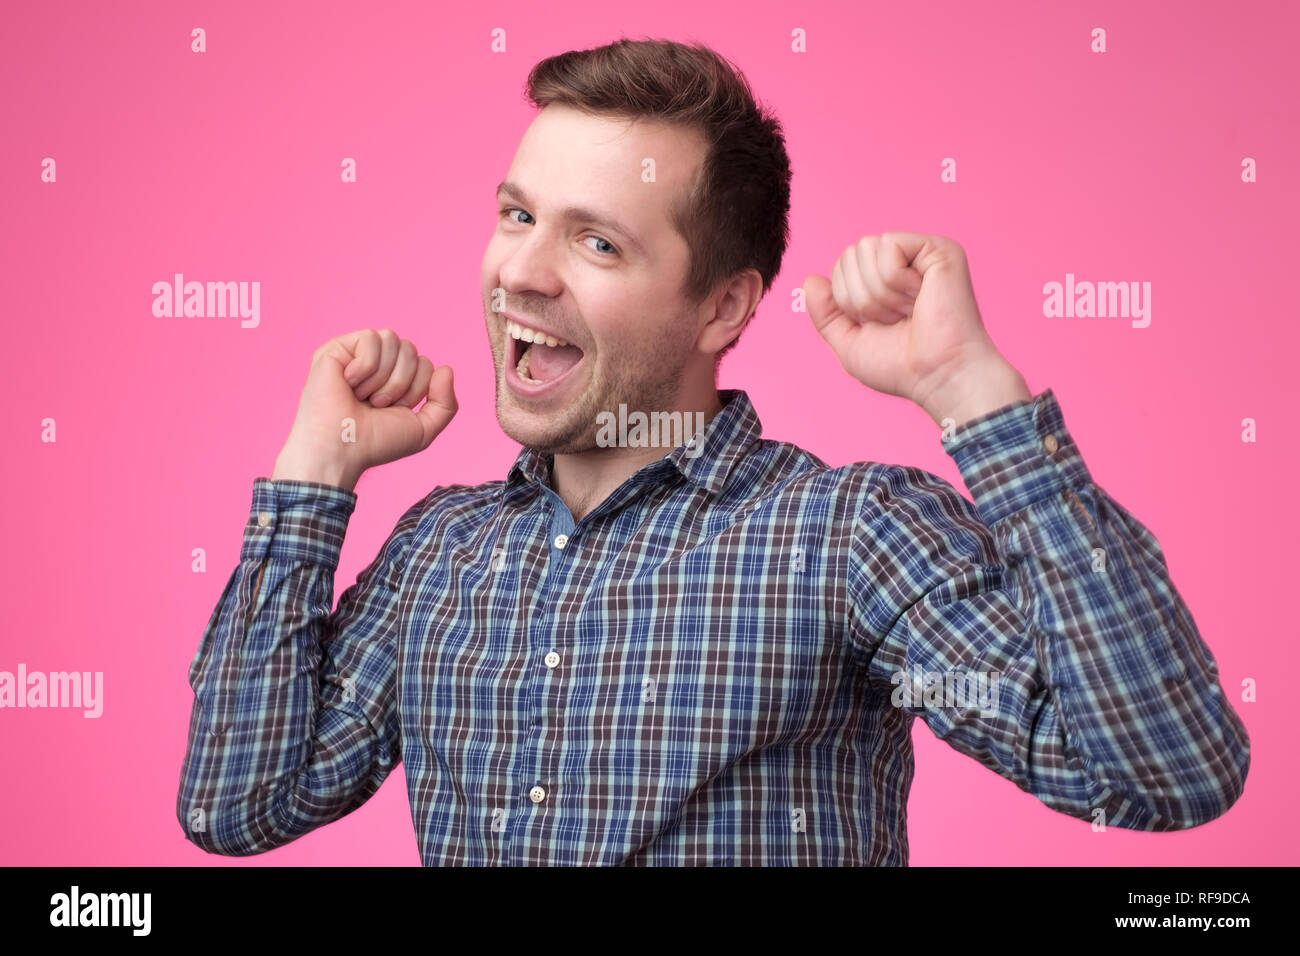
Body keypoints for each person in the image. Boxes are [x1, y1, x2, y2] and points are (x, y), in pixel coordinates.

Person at [176, 37, 1249, 866]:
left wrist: (976, 397)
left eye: (597, 241)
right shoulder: (439, 552)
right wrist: (312, 482)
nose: (524, 273)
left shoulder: (845, 535)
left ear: (723, 306)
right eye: (517, 215)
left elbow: (1162, 771)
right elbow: (238, 803)